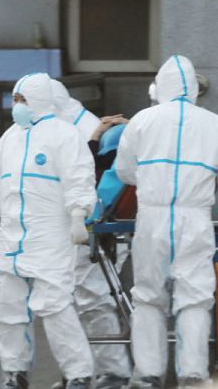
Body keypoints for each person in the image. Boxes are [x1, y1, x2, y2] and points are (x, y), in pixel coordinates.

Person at [115, 55, 218, 388]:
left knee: (148, 296)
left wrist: (153, 179)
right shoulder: (215, 123)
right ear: (194, 87)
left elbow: (124, 170)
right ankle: (192, 374)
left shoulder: (141, 120)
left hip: (151, 216)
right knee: (194, 296)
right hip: (194, 218)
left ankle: (148, 374)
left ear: (160, 86)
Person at [0, 72, 96, 389]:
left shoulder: (64, 135)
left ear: (37, 100)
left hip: (50, 234)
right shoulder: (10, 137)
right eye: (15, 99)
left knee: (54, 305)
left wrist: (79, 214)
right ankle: (15, 372)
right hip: (12, 237)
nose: (17, 106)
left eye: (22, 100)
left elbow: (79, 178)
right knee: (9, 307)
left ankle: (78, 374)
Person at [50, 80, 132, 389]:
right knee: (83, 299)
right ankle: (89, 372)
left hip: (98, 227)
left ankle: (112, 373)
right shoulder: (86, 128)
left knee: (91, 298)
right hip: (95, 226)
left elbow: (93, 182)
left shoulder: (80, 133)